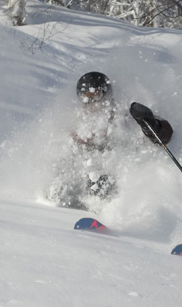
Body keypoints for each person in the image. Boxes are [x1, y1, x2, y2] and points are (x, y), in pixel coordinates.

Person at [46, 71, 174, 209]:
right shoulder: (78, 123)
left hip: (118, 178)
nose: (91, 103)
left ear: (107, 94)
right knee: (60, 184)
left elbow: (165, 135)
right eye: (85, 97)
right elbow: (65, 155)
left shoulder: (122, 116)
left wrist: (150, 124)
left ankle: (106, 216)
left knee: (100, 182)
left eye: (96, 95)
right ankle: (58, 212)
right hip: (84, 179)